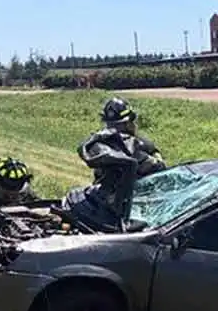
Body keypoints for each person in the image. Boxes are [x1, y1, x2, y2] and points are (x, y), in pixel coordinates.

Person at [66, 97, 167, 230]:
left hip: (105, 206)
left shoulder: (106, 145)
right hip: (129, 212)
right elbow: (161, 172)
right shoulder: (130, 150)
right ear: (129, 123)